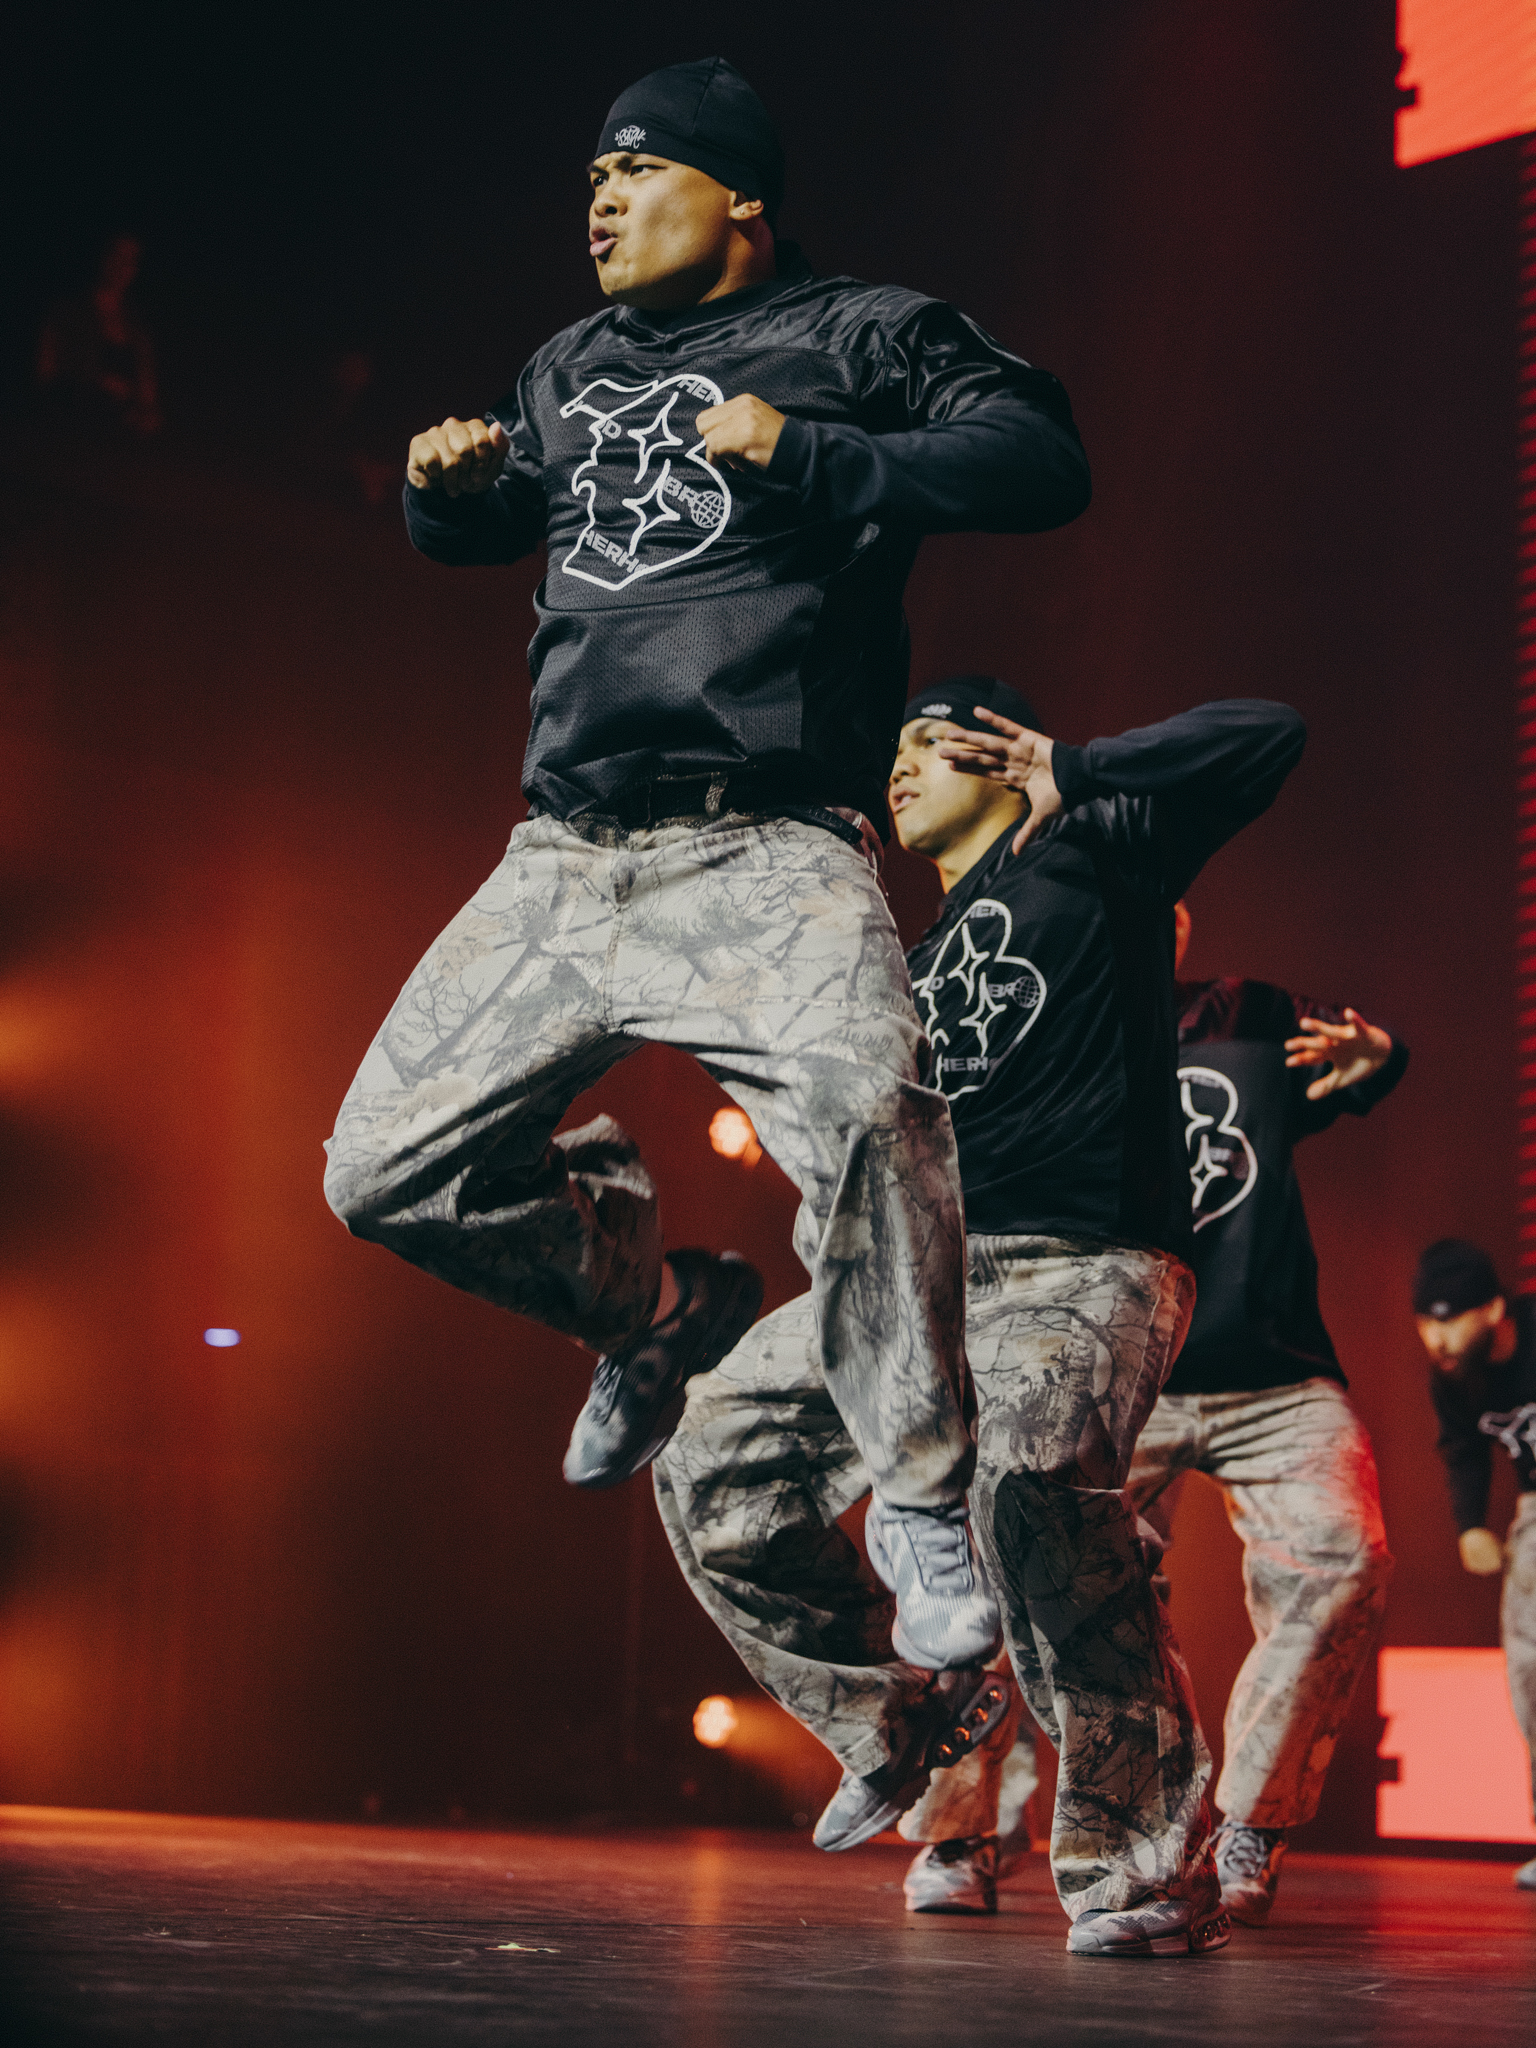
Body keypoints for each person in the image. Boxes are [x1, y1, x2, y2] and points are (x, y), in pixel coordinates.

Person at [322, 59, 1091, 1671]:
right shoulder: (569, 362)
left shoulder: (861, 333)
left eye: (639, 170)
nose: (598, 203)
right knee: (381, 1172)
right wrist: (440, 497)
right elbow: (514, 527)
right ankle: (653, 1310)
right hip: (567, 856)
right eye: (590, 181)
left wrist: (815, 454)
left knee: (879, 1109)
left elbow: (1039, 455)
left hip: (767, 845)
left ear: (740, 195)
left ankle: (922, 1497)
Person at [656, 677, 1306, 1957]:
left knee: (1029, 1490)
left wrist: (1076, 761)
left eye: (920, 739)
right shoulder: (906, 953)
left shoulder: (1098, 843)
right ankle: (895, 1718)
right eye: (885, 745)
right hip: (924, 1275)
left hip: (1084, 1260)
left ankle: (1144, 1865)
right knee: (710, 1458)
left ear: (993, 754)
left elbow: (1271, 733)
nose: (893, 766)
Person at [908, 912, 1404, 1926]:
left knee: (1343, 1550)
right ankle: (963, 1831)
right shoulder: (1039, 1033)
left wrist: (1380, 1059)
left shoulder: (1244, 1012)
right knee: (991, 1562)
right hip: (1112, 1364)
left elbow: (1353, 1060)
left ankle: (1250, 1823)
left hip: (1272, 1367)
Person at [1412, 1239, 1536, 1892]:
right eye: (1426, 1322)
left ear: (1493, 1310)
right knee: (1530, 1668)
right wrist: (1470, 1527)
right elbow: (1463, 1450)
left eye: (1451, 1318)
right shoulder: (1453, 1373)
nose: (1438, 1337)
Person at [36, 232, 161, 436]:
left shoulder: (135, 319)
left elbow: (146, 377)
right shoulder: (67, 311)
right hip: (74, 425)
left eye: (131, 260)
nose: (124, 267)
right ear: (102, 257)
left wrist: (147, 409)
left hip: (127, 429)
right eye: (117, 257)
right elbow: (45, 374)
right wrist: (98, 382)